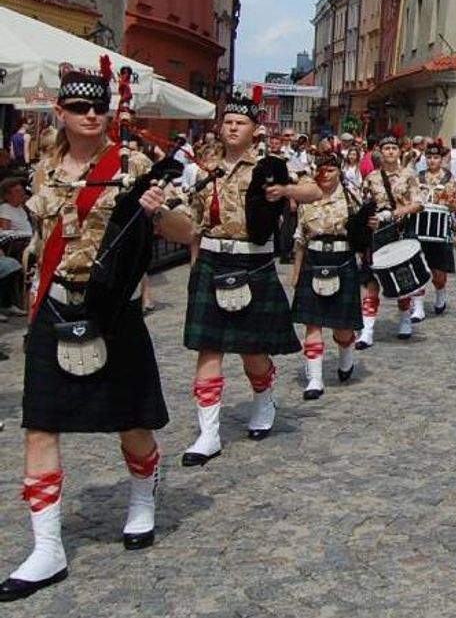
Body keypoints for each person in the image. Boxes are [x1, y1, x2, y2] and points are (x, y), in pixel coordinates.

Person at [0, 69, 168, 601]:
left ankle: (143, 491)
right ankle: (47, 549)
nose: (89, 115)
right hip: (55, 305)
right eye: (77, 107)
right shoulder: (43, 169)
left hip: (113, 309)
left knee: (131, 422)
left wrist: (158, 212)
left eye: (97, 107)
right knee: (40, 425)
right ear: (61, 113)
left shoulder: (134, 165)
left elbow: (185, 230)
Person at [156, 88, 321, 467]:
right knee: (208, 350)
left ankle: (263, 400)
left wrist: (285, 190)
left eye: (240, 122)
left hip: (253, 263)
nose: (232, 127)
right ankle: (208, 434)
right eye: (228, 121)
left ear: (254, 129)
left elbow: (315, 190)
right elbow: (192, 224)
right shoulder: (204, 168)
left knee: (253, 353)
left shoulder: (271, 164)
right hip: (213, 260)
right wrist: (163, 215)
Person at [291, 152, 362, 400]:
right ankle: (315, 379)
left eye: (330, 169)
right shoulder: (307, 197)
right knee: (312, 322)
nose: (325, 174)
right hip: (314, 258)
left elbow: (363, 231)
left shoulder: (352, 196)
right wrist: (296, 271)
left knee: (342, 329)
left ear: (339, 172)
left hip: (343, 259)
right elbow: (300, 237)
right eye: (321, 169)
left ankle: (346, 353)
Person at [358, 131, 421, 343]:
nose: (391, 152)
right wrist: (368, 220)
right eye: (387, 148)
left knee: (403, 278)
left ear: (399, 151)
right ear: (380, 152)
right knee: (371, 280)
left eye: (394, 148)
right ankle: (367, 330)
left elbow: (418, 204)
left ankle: (405, 320)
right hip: (377, 233)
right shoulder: (372, 178)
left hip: (401, 229)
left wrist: (395, 213)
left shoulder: (408, 175)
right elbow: (363, 206)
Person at [412, 142, 456, 319]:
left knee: (438, 274)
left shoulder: (449, 179)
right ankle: (418, 308)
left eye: (436, 157)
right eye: (429, 157)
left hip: (440, 230)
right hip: (419, 228)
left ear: (441, 159)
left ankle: (441, 294)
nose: (432, 161)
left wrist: (451, 204)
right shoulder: (418, 178)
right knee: (418, 269)